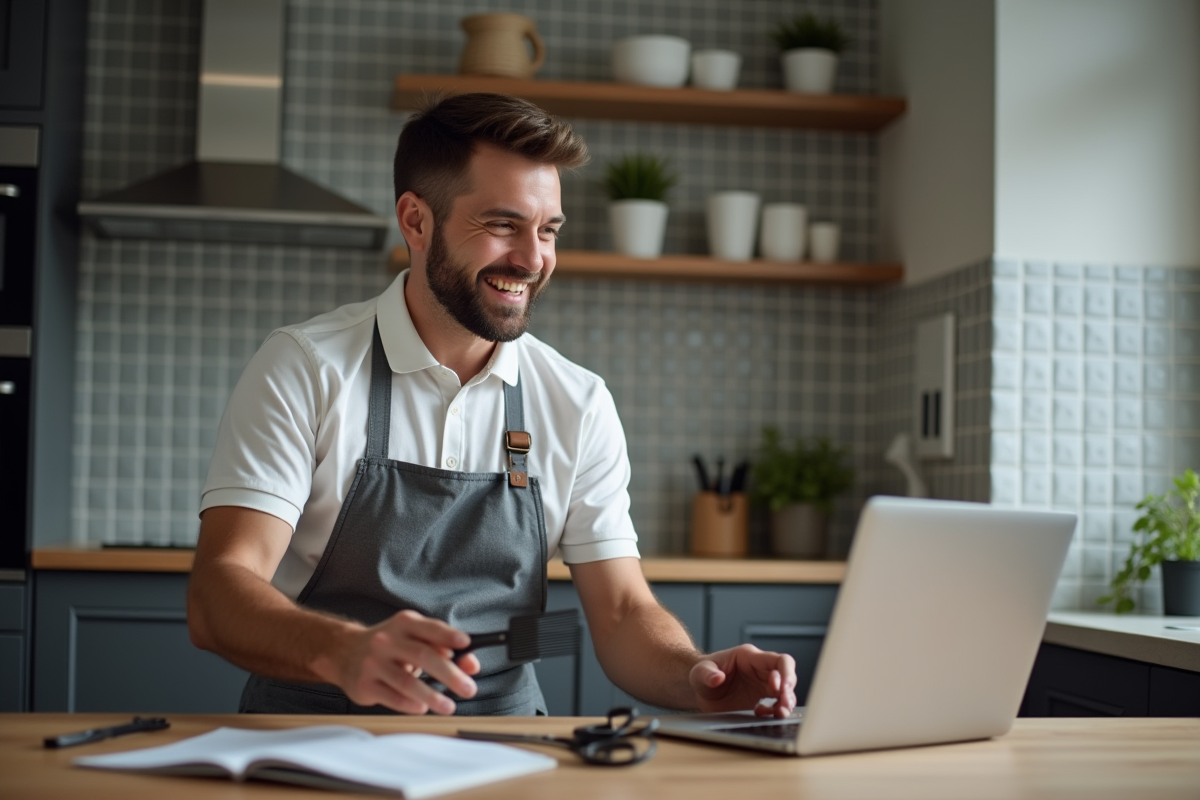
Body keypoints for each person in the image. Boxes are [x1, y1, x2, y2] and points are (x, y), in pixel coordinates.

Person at [187, 92, 797, 717]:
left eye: (548, 230)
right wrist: (343, 651)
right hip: (311, 743)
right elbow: (219, 593)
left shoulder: (576, 402)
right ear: (416, 221)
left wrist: (698, 675)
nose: (533, 260)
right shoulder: (307, 367)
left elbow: (620, 614)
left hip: (509, 750)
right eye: (503, 224)